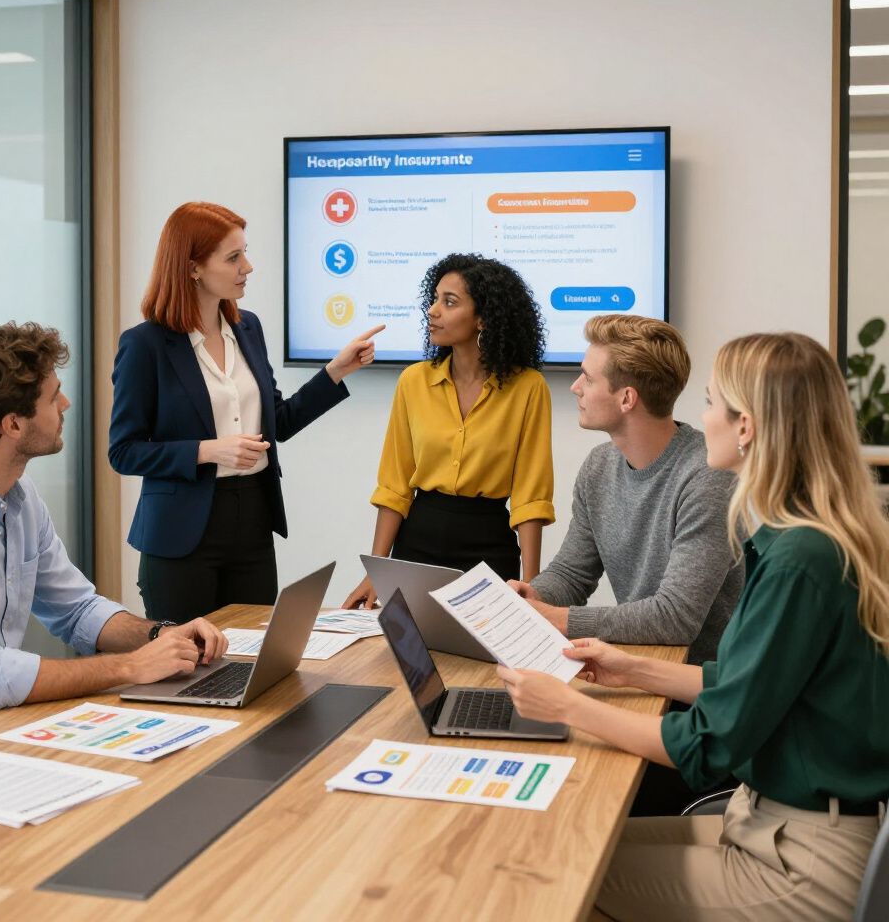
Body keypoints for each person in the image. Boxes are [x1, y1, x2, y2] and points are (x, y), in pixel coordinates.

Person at [499, 332, 889, 921]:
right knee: (564, 838)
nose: (701, 418)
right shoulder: (801, 539)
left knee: (556, 869)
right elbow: (742, 683)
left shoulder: (799, 560)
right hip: (769, 822)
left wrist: (567, 706)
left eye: (710, 403)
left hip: (801, 858)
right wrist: (630, 667)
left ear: (746, 426)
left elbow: (710, 744)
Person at [0, 323, 228, 770]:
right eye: (53, 396)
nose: (66, 404)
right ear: (13, 424)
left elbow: (77, 610)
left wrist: (161, 636)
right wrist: (131, 667)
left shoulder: (17, 495)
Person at [110, 201, 382, 621]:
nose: (248, 267)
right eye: (233, 257)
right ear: (193, 268)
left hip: (252, 520)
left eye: (245, 253)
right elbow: (124, 451)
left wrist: (336, 371)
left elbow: (279, 422)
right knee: (188, 656)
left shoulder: (247, 328)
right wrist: (208, 450)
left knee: (253, 650)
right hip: (180, 534)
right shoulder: (145, 345)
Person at [511, 314, 743, 667]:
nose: (575, 387)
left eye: (588, 378)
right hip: (638, 661)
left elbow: (676, 618)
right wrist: (534, 596)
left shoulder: (707, 477)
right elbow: (572, 574)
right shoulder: (598, 466)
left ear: (627, 399)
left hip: (706, 682)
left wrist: (558, 619)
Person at [343, 253, 554, 610]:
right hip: (416, 546)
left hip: (490, 548)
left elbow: (531, 498)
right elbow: (394, 487)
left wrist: (531, 586)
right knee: (406, 644)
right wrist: (376, 571)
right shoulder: (413, 381)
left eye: (449, 302)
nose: (433, 311)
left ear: (483, 318)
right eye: (435, 298)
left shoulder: (528, 388)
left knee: (486, 646)